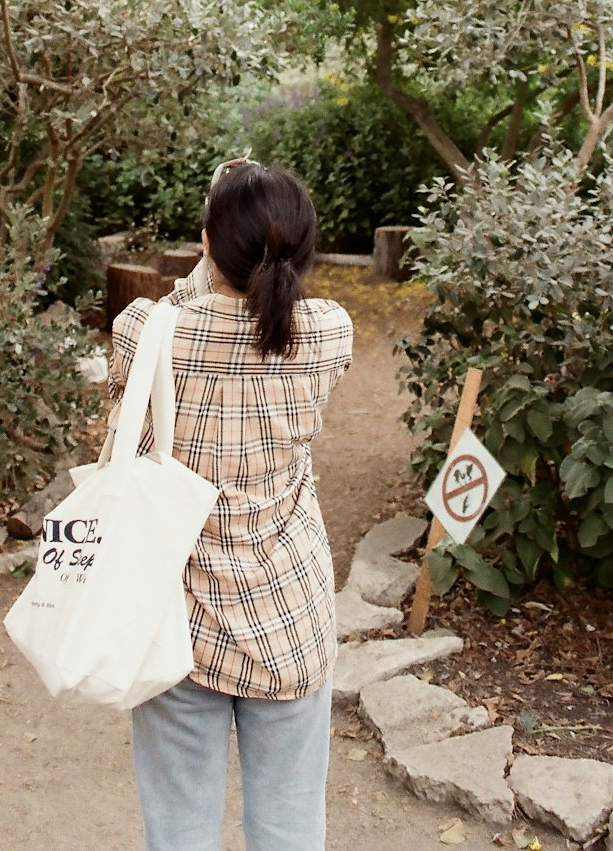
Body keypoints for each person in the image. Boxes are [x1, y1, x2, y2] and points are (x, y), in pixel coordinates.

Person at [108, 157, 354, 851]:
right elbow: (265, 304)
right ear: (303, 252)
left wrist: (216, 223)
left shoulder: (146, 331)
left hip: (177, 623)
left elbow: (187, 306)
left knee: (179, 829)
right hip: (290, 618)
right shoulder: (329, 332)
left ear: (208, 241)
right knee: (289, 828)